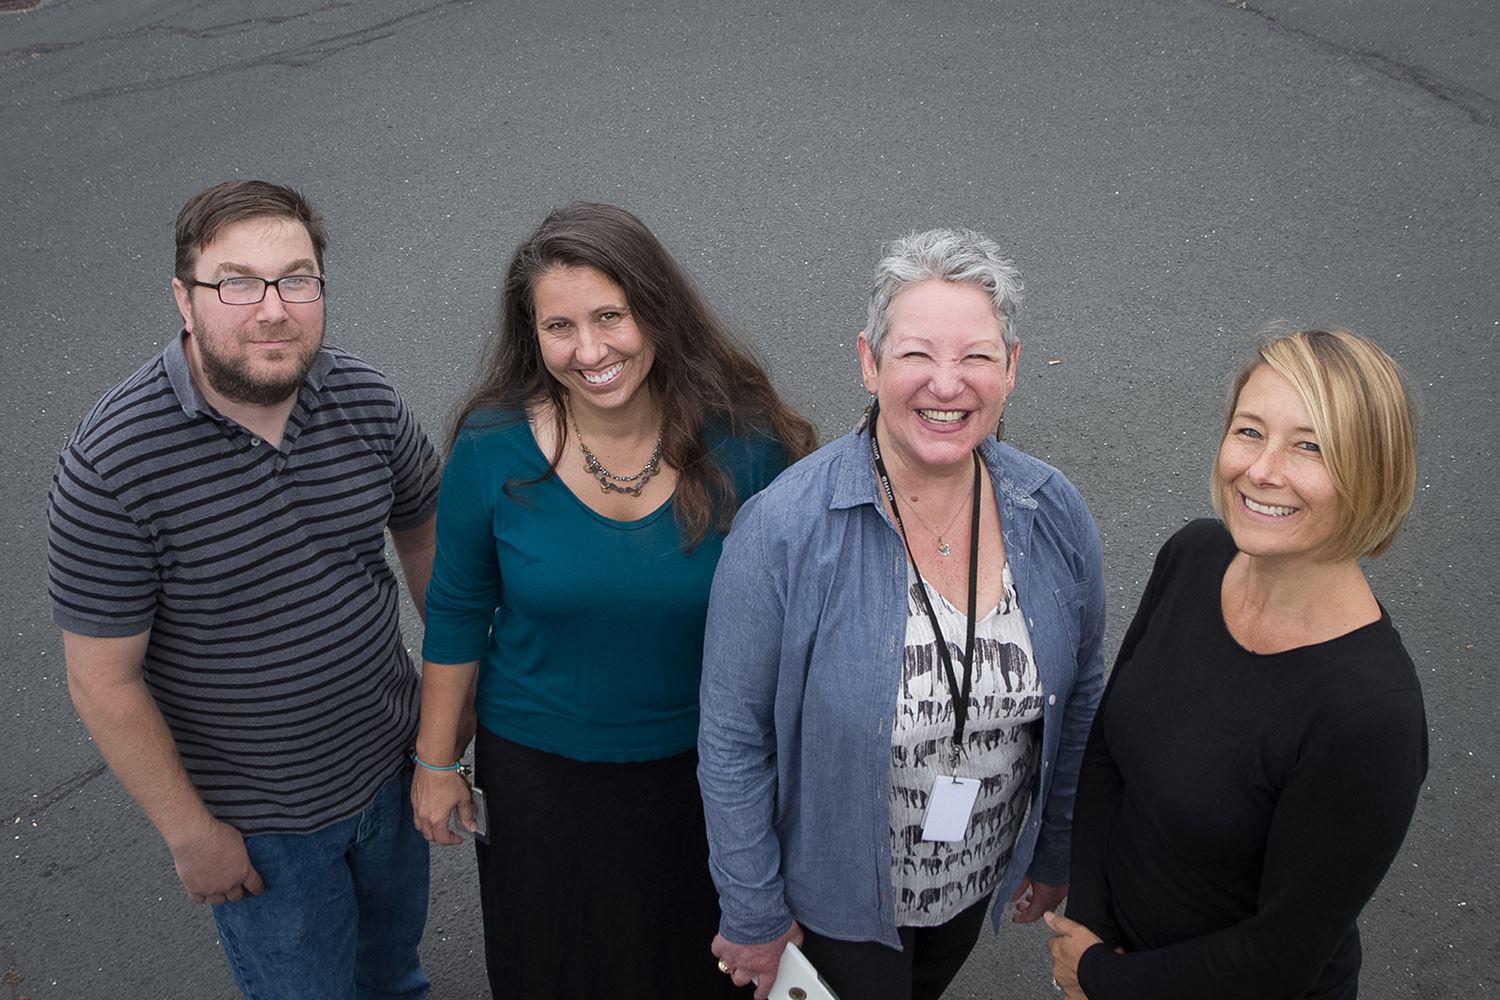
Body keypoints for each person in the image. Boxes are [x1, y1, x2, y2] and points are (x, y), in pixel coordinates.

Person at [408, 202, 817, 999]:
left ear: (656, 313)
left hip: (711, 775)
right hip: (540, 782)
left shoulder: (749, 440)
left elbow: (800, 617)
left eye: (610, 316)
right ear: (533, 337)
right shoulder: (492, 447)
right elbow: (457, 611)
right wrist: (434, 762)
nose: (590, 350)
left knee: (702, 973)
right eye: (559, 327)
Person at [46, 179, 443, 998]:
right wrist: (190, 833)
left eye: (296, 278)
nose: (272, 309)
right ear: (184, 300)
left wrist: (446, 715)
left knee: (394, 974)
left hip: (389, 772)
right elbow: (102, 678)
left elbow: (429, 540)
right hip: (260, 828)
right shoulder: (112, 465)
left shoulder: (364, 400)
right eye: (236, 282)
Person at [698, 228, 1107, 1000]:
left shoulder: (1052, 511)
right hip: (834, 906)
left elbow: (1081, 691)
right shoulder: (785, 528)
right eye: (917, 353)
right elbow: (731, 735)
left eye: (977, 357)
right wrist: (751, 906)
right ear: (869, 360)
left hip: (973, 875)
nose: (946, 384)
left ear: (1011, 368)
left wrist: (1056, 849)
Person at [1046, 328, 1428, 1000]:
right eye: (1251, 431)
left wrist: (1101, 976)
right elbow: (1108, 754)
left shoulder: (1370, 715)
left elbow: (1278, 958)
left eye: (1310, 446)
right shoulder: (1196, 556)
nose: (1262, 469)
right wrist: (1091, 926)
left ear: (1373, 473)